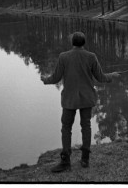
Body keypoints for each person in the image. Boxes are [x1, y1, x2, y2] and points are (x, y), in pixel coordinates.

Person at [40, 31, 120, 172]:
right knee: (86, 126)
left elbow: (56, 77)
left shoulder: (63, 56)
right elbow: (100, 77)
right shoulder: (91, 56)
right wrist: (112, 76)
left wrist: (45, 79)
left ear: (72, 43)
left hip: (69, 99)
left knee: (66, 128)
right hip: (87, 98)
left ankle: (65, 162)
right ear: (84, 43)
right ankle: (85, 160)